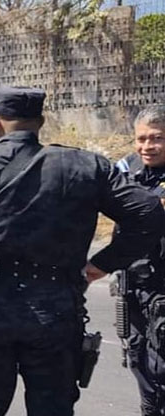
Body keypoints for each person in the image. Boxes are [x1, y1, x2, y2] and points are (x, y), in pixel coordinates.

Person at [0, 86, 165, 416]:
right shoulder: (86, 166)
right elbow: (148, 212)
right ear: (39, 122)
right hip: (55, 314)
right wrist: (101, 265)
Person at [113, 106, 165, 416]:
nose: (147, 146)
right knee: (136, 355)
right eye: (141, 138)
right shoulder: (125, 170)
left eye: (157, 138)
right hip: (132, 285)